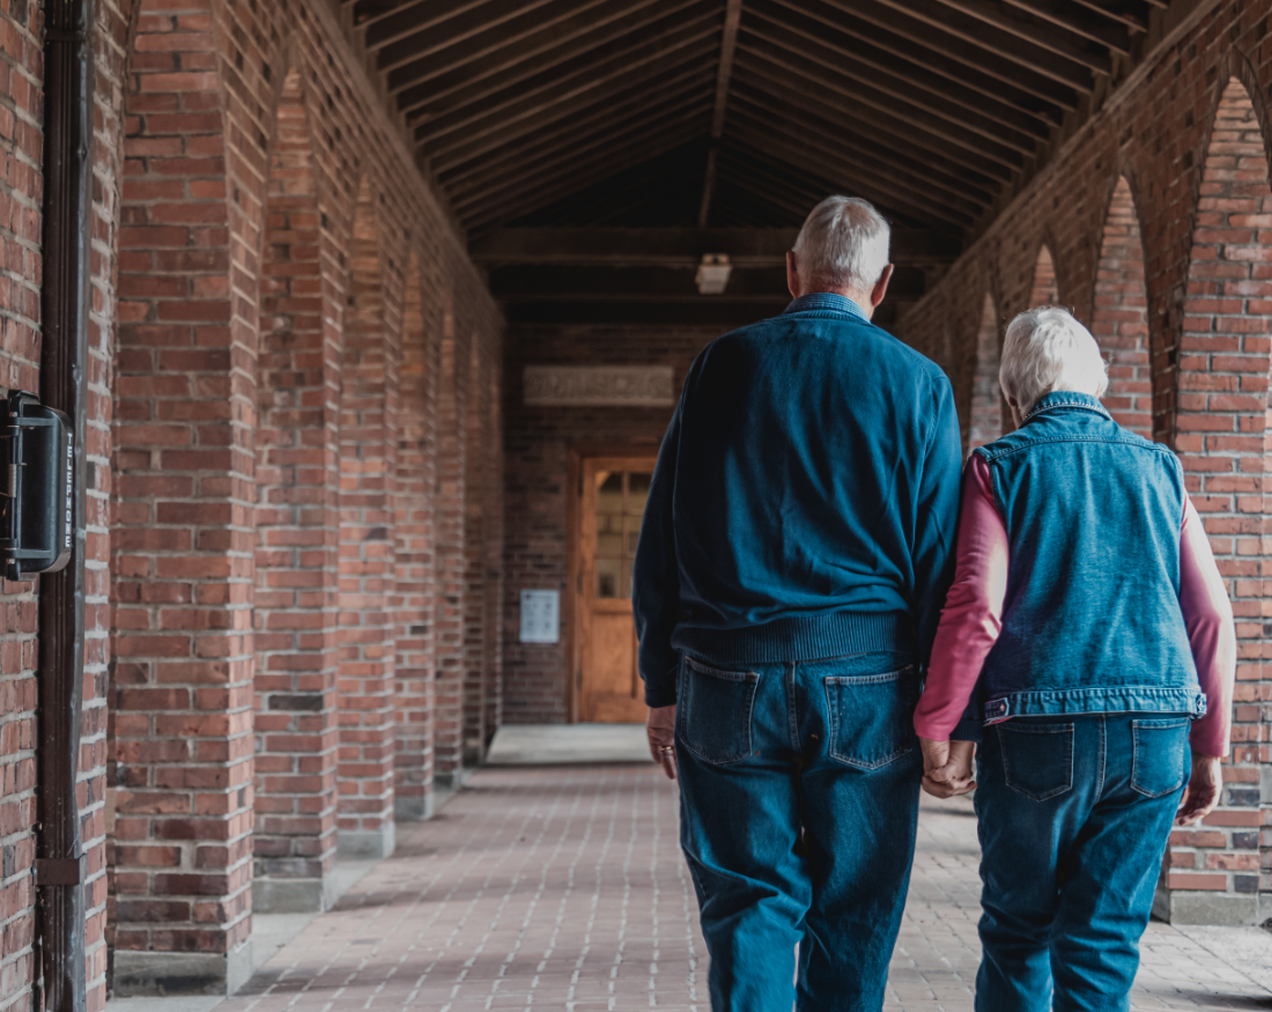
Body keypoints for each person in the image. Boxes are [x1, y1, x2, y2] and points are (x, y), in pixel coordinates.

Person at [632, 195, 964, 1012]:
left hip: (724, 673)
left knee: (747, 902)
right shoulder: (919, 384)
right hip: (868, 681)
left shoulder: (721, 365)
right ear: (883, 283)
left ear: (790, 270)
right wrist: (941, 715)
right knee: (856, 906)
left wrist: (660, 687)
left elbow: (663, 536)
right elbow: (940, 565)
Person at [914, 306, 1236, 1012]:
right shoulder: (1161, 469)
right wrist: (1210, 746)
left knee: (1019, 930)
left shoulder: (998, 468)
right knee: (1104, 940)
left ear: (1010, 395)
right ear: (1101, 383)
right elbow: (1209, 613)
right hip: (1155, 732)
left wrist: (942, 724)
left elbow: (977, 605)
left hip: (1035, 732)